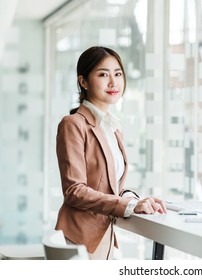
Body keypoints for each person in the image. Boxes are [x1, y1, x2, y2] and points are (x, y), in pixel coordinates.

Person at [55, 46, 167, 260]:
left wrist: (136, 199)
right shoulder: (73, 124)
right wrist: (129, 205)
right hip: (79, 239)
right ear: (83, 82)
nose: (113, 82)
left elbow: (110, 185)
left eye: (117, 74)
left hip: (104, 236)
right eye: (103, 74)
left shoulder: (112, 127)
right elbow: (74, 190)